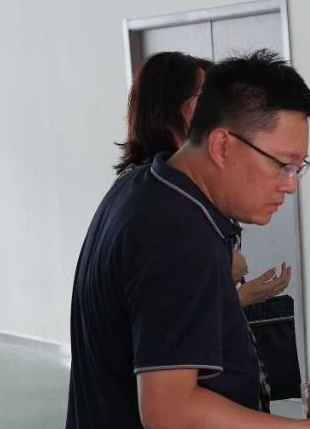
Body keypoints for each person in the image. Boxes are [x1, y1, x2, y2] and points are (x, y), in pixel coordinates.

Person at [58, 50, 310, 429]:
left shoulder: (147, 190)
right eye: (282, 164)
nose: (290, 184)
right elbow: (169, 408)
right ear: (222, 145)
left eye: (298, 168)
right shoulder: (176, 234)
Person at [117, 50, 290, 308]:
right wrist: (237, 290)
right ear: (177, 109)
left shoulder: (156, 187)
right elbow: (172, 310)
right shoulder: (163, 199)